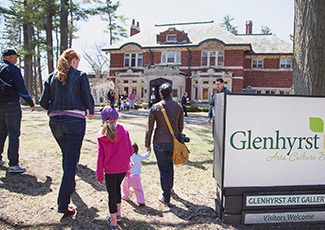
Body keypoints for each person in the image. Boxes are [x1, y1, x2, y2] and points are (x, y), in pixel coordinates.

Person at [40, 48, 95, 214]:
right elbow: (87, 95)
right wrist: (91, 111)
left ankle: (70, 186)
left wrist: (55, 109)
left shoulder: (51, 77)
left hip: (55, 122)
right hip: (75, 121)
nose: (78, 64)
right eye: (77, 60)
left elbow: (43, 101)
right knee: (71, 160)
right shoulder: (80, 75)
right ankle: (63, 203)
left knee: (67, 155)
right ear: (74, 60)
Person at [145, 83, 184, 206]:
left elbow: (149, 128)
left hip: (159, 142)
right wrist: (177, 137)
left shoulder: (155, 107)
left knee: (163, 169)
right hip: (173, 141)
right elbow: (181, 126)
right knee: (170, 166)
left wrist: (147, 143)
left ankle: (166, 196)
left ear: (160, 93)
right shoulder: (178, 106)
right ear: (171, 93)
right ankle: (169, 188)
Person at [97, 106, 134, 230]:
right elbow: (130, 151)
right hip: (122, 169)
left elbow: (99, 158)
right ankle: (118, 214)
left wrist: (99, 176)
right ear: (117, 117)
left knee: (112, 194)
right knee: (117, 189)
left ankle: (113, 222)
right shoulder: (124, 132)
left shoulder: (101, 136)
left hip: (110, 170)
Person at [0, 48, 35, 173]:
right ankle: (13, 164)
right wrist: (30, 102)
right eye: (15, 56)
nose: (16, 59)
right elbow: (21, 88)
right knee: (13, 134)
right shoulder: (12, 69)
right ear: (9, 57)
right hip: (11, 105)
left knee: (1, 132)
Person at [208, 78, 231, 152]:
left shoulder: (227, 93)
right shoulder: (215, 94)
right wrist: (210, 116)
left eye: (218, 84)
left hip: (223, 116)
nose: (217, 86)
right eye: (216, 84)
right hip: (215, 116)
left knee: (223, 133)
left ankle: (223, 148)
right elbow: (211, 105)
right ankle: (215, 147)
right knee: (215, 132)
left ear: (222, 84)